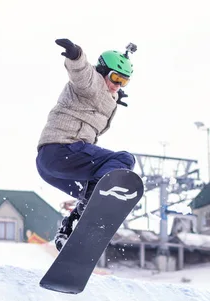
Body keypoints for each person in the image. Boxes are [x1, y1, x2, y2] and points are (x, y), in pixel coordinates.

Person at [36, 38, 137, 251]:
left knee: (90, 193)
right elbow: (82, 73)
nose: (117, 85)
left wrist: (115, 98)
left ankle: (69, 228)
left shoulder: (107, 95)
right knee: (124, 160)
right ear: (102, 71)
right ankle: (88, 212)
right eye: (115, 78)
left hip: (50, 166)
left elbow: (100, 99)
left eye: (123, 82)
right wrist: (76, 55)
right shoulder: (92, 82)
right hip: (63, 150)